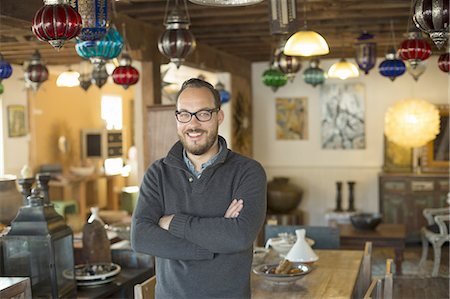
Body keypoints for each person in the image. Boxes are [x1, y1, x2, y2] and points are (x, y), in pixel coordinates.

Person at [131, 78, 267, 299]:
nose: (193, 124)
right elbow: (141, 237)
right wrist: (215, 243)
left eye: (203, 113)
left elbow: (240, 237)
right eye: (184, 114)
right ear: (176, 118)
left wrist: (172, 222)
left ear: (218, 117)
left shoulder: (248, 172)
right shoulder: (158, 173)